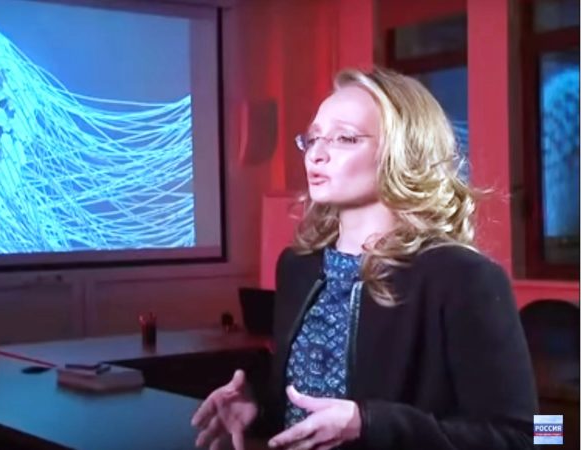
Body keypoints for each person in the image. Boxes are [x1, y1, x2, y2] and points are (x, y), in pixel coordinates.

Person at [191, 67, 538, 450]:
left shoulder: (462, 277)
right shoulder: (297, 267)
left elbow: (534, 435)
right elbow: (303, 409)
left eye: (345, 138)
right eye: (313, 138)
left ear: (403, 152)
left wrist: (370, 424)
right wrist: (257, 409)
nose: (317, 155)